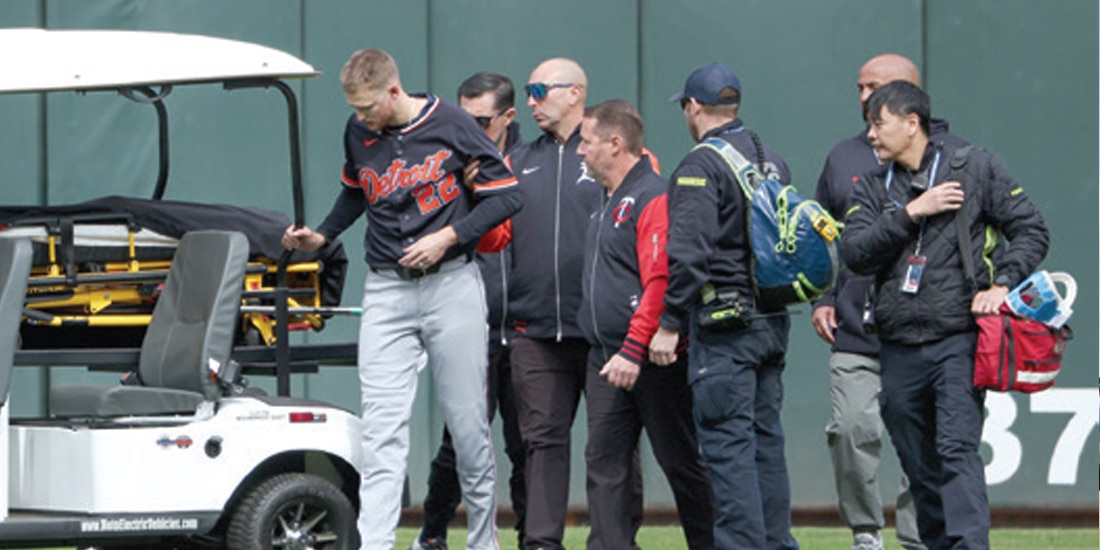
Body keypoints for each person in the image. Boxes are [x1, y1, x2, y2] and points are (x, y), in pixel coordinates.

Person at [281, 48, 521, 550]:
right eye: (354, 107)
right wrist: (322, 236)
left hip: (451, 281)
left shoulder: (451, 123)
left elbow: (508, 195)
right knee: (382, 431)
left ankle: (483, 542)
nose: (361, 116)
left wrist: (450, 235)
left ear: (394, 90)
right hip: (387, 288)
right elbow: (356, 191)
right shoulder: (358, 131)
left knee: (468, 427)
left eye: (368, 106)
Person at [841, 80, 1048, 550]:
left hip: (958, 339)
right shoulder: (872, 186)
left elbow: (1032, 229)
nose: (870, 135)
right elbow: (854, 254)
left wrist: (1002, 285)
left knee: (957, 450)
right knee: (919, 463)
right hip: (896, 345)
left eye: (878, 123)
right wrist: (912, 212)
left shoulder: (975, 167)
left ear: (911, 123)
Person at [812, 53, 966, 550]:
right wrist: (824, 297)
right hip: (856, 325)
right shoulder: (843, 157)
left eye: (876, 88)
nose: (865, 98)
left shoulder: (955, 158)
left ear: (911, 102)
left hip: (926, 329)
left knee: (924, 441)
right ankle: (864, 530)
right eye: (860, 87)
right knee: (850, 428)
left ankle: (918, 535)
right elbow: (827, 238)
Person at [650, 62, 799, 550]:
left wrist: (671, 321)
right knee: (765, 446)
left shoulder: (701, 165)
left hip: (725, 328)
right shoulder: (772, 159)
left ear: (693, 107)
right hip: (771, 320)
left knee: (728, 452)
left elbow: (689, 254)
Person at [504, 57, 646, 550]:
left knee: (612, 445)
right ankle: (541, 543)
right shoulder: (518, 160)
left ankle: (615, 541)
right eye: (528, 91)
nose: (531, 101)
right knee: (541, 442)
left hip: (602, 333)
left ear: (574, 93)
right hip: (535, 330)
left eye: (539, 90)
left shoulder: (618, 158)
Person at [575, 99, 714, 550]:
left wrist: (634, 349)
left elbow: (661, 279)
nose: (579, 150)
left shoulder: (652, 196)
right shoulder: (605, 197)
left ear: (615, 144)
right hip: (605, 356)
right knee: (604, 465)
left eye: (586, 141)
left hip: (652, 358)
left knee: (681, 463)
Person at [411, 71, 527, 550]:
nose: (472, 129)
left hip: (526, 327)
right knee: (458, 440)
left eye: (482, 120)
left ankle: (534, 538)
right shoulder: (449, 162)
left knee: (526, 443)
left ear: (507, 116)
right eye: (464, 118)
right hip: (471, 323)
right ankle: (433, 534)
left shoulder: (531, 163)